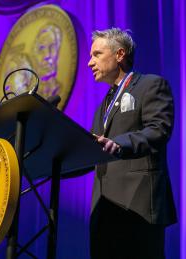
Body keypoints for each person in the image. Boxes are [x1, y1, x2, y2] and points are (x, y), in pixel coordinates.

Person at [88, 28, 177, 259]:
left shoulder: (151, 85)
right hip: (104, 212)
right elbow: (89, 153)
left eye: (97, 54)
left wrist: (119, 144)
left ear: (119, 54)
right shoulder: (102, 108)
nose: (90, 63)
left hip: (137, 207)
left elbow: (159, 130)